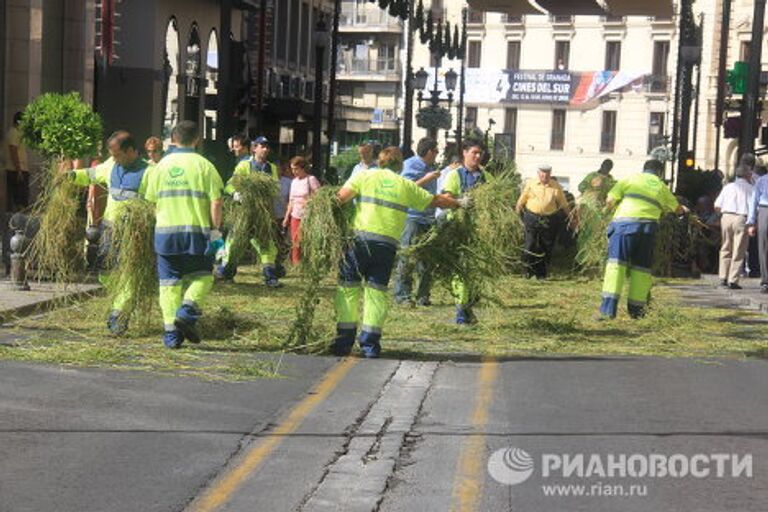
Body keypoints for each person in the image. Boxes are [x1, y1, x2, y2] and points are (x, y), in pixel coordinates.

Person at [332, 146, 466, 358]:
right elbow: (436, 200)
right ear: (400, 165)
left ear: (380, 161)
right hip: (385, 247)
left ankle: (343, 342)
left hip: (357, 242)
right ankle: (370, 345)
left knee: (348, 290)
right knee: (376, 293)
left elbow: (339, 199)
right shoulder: (404, 185)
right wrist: (459, 203)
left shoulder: (363, 176)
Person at [143, 121, 224, 348]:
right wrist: (215, 231)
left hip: (165, 234)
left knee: (168, 284)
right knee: (203, 276)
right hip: (196, 233)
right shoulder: (205, 166)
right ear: (197, 139)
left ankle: (172, 335)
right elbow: (216, 202)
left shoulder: (160, 167)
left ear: (173, 139)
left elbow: (150, 201)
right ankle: (187, 311)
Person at [65, 132, 154, 335]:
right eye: (112, 155)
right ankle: (118, 301)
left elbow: (154, 205)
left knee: (129, 274)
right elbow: (91, 174)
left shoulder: (149, 172)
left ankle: (119, 313)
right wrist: (71, 176)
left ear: (131, 151)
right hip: (110, 228)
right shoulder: (111, 166)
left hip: (135, 232)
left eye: (117, 155)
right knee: (106, 272)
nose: (114, 158)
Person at [598, 159, 687, 319]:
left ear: (644, 169)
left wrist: (605, 211)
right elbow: (677, 210)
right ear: (660, 173)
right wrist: (683, 211)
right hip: (647, 231)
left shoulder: (630, 179)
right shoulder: (662, 187)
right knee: (641, 270)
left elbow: (610, 200)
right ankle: (637, 311)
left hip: (624, 227)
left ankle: (608, 311)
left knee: (616, 267)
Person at [217, 135, 283, 287]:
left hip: (262, 213)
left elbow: (275, 188)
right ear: (255, 148)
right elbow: (229, 185)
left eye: (267, 146)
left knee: (267, 245)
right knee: (235, 243)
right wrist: (236, 194)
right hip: (245, 211)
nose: (265, 149)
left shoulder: (271, 168)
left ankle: (270, 277)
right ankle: (226, 272)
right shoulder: (244, 166)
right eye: (262, 146)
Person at [442, 140, 494, 324]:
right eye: (474, 152)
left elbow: (494, 199)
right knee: (461, 271)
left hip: (479, 230)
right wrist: (459, 202)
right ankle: (461, 311)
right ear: (464, 153)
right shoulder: (454, 175)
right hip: (459, 229)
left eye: (480, 153)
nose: (478, 156)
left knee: (476, 272)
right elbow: (445, 198)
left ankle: (469, 307)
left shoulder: (486, 176)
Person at [394, 137, 442, 306]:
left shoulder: (430, 167)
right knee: (408, 256)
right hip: (413, 218)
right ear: (429, 151)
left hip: (428, 217)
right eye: (436, 151)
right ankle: (402, 295)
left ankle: (423, 295)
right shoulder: (410, 165)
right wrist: (427, 178)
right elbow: (406, 189)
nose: (437, 154)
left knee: (427, 259)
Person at [516, 163, 573, 280]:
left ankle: (541, 274)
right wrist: (516, 214)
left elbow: (563, 204)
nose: (544, 176)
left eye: (547, 173)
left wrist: (571, 217)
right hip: (531, 217)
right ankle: (527, 271)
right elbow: (521, 201)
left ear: (550, 174)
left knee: (546, 246)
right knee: (529, 244)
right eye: (542, 173)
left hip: (549, 219)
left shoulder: (556, 186)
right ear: (538, 173)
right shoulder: (531, 183)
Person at [714, 164, 753, 289]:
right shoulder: (751, 188)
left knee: (725, 246)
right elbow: (753, 207)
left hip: (726, 216)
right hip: (741, 217)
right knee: (739, 249)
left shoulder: (728, 187)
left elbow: (717, 205)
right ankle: (733, 279)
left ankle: (722, 276)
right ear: (748, 175)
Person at [282, 156, 320, 264]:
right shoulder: (293, 182)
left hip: (308, 216)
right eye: (292, 169)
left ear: (303, 168)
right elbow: (291, 201)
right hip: (295, 215)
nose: (294, 172)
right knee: (295, 240)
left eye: (296, 169)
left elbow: (320, 197)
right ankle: (296, 263)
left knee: (307, 239)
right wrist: (286, 217)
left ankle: (309, 262)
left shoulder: (311, 179)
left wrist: (309, 202)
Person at [746, 158, 768, 293]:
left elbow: (753, 200)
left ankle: (766, 281)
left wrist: (751, 221)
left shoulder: (761, 180)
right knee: (764, 247)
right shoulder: (762, 180)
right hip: (764, 209)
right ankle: (766, 281)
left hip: (764, 211)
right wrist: (751, 222)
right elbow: (754, 201)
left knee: (764, 248)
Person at [3, 112, 29, 212]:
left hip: (18, 170)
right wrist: (19, 170)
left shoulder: (16, 133)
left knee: (20, 199)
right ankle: (18, 222)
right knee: (20, 200)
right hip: (17, 170)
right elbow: (13, 151)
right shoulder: (14, 133)